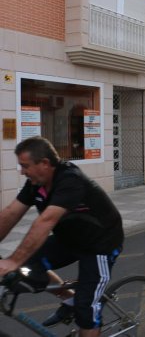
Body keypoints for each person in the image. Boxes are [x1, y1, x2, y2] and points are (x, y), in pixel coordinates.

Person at [0, 137, 124, 336]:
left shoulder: (70, 180)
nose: (22, 171)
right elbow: (10, 213)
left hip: (100, 244)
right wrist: (16, 263)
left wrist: (14, 260)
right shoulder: (35, 184)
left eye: (25, 166)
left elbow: (46, 220)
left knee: (86, 309)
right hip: (69, 239)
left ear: (45, 163)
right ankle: (69, 299)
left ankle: (81, 306)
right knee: (29, 267)